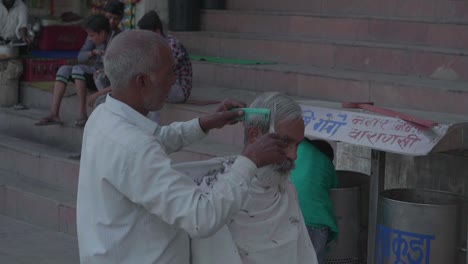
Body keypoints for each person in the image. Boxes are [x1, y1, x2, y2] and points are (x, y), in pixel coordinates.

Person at [76, 30, 290, 263]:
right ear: (142, 81)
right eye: (168, 74)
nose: (173, 81)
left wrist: (202, 123)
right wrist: (249, 161)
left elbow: (155, 140)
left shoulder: (104, 116)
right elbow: (201, 217)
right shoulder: (134, 147)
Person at [185, 92, 318, 264]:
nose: (293, 155)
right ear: (255, 135)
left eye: (297, 145)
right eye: (285, 142)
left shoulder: (287, 190)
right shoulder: (215, 197)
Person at [35, 14, 115, 127]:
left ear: (102, 33)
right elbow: (80, 57)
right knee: (63, 70)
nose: (90, 38)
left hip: (108, 77)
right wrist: (92, 52)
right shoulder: (92, 37)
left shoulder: (116, 39)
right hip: (95, 73)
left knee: (78, 69)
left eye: (92, 36)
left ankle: (82, 114)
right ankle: (54, 113)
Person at [137, 10, 192, 122]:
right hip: (167, 85)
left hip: (180, 89)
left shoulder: (171, 44)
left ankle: (151, 128)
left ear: (157, 31)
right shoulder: (152, 45)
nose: (144, 38)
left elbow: (160, 71)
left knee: (154, 84)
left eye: (147, 34)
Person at [290, 139, 338, 264]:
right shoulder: (327, 165)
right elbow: (335, 190)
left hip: (290, 217)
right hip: (317, 224)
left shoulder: (301, 148)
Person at [86, 0, 126, 108]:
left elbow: (121, 66)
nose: (112, 21)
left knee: (100, 78)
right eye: (109, 17)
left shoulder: (121, 37)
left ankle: (107, 103)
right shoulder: (96, 30)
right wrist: (92, 52)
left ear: (120, 19)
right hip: (100, 71)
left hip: (114, 75)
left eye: (115, 18)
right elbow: (82, 55)